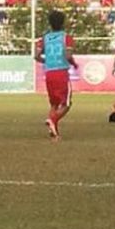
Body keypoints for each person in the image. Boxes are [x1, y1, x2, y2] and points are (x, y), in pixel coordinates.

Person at [34, 10, 78, 141]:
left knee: (54, 104)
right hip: (61, 72)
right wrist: (74, 64)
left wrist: (46, 61)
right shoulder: (66, 38)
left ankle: (54, 133)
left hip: (49, 73)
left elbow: (36, 56)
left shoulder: (44, 38)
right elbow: (68, 55)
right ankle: (52, 120)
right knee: (66, 104)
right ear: (63, 23)